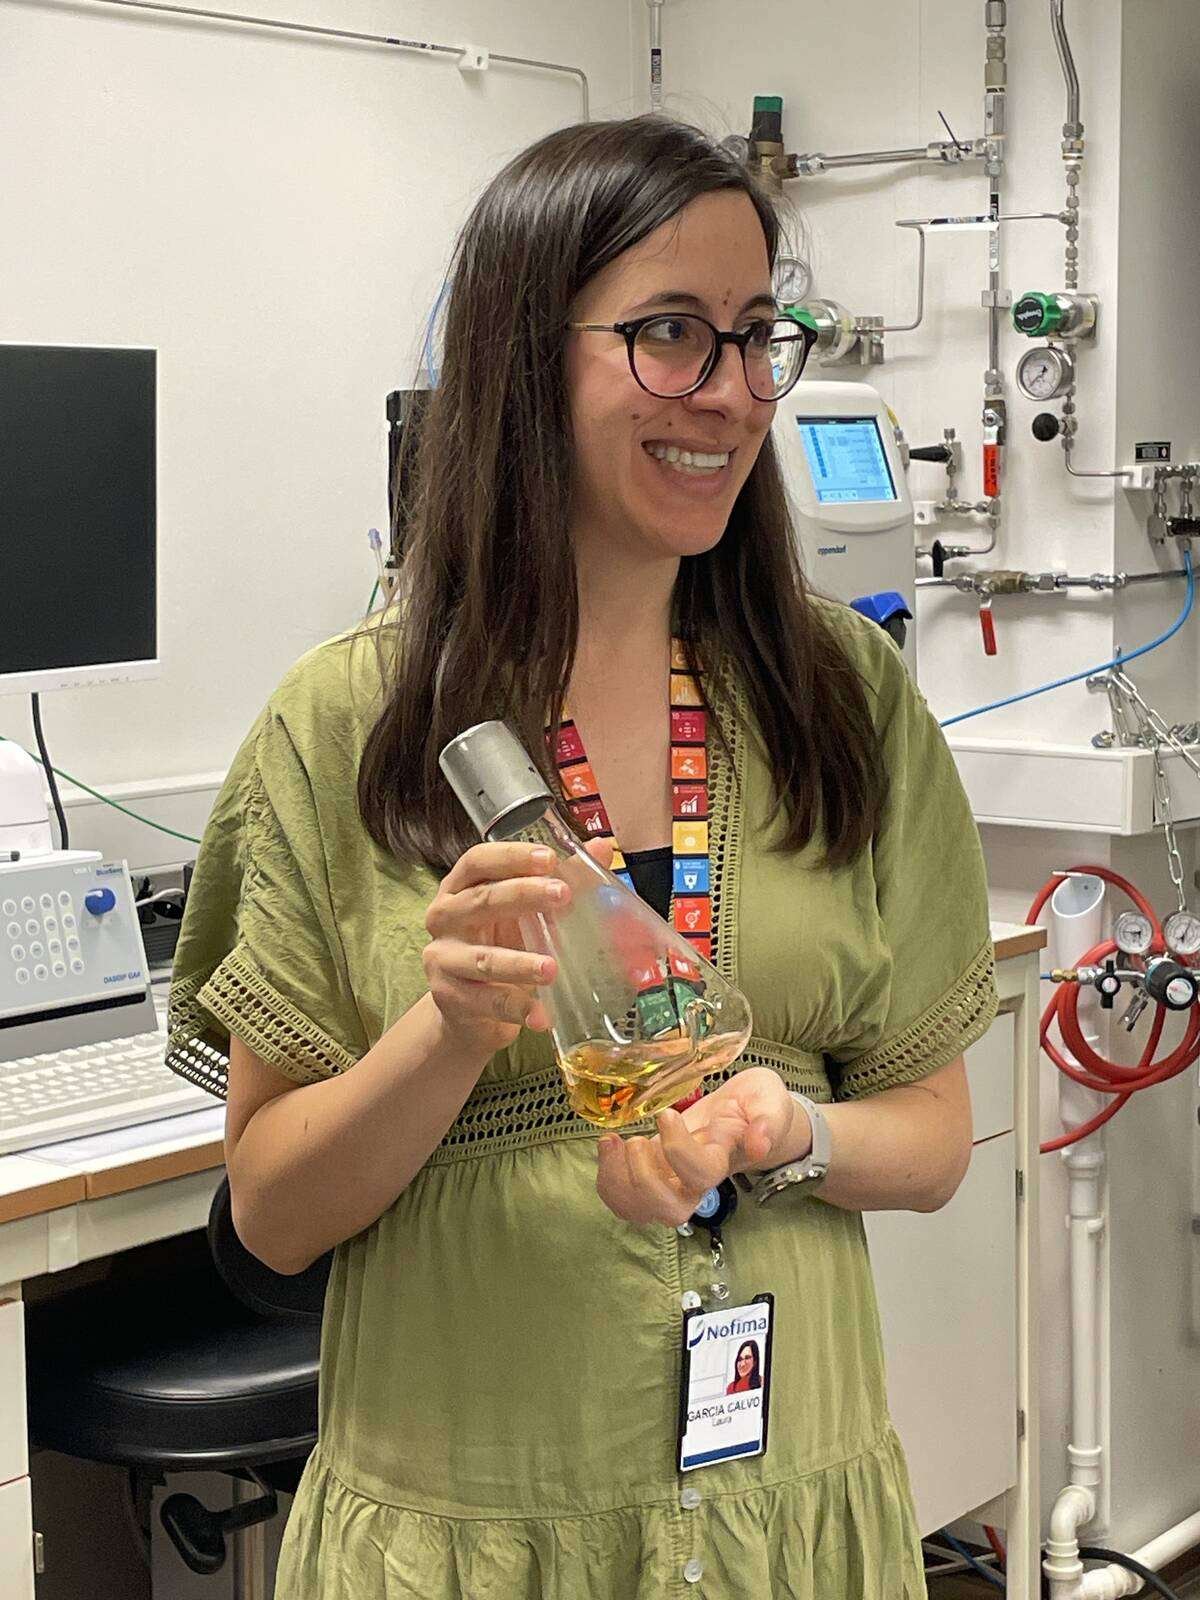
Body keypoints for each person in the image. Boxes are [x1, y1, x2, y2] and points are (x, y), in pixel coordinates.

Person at [168, 114, 997, 1600]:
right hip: (470, 1538)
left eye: (756, 337)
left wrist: (779, 1130)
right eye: (670, 333)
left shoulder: (842, 705)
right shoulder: (346, 723)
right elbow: (274, 1217)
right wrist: (448, 1026)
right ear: (520, 358)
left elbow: (932, 1138)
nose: (733, 394)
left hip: (780, 1524)